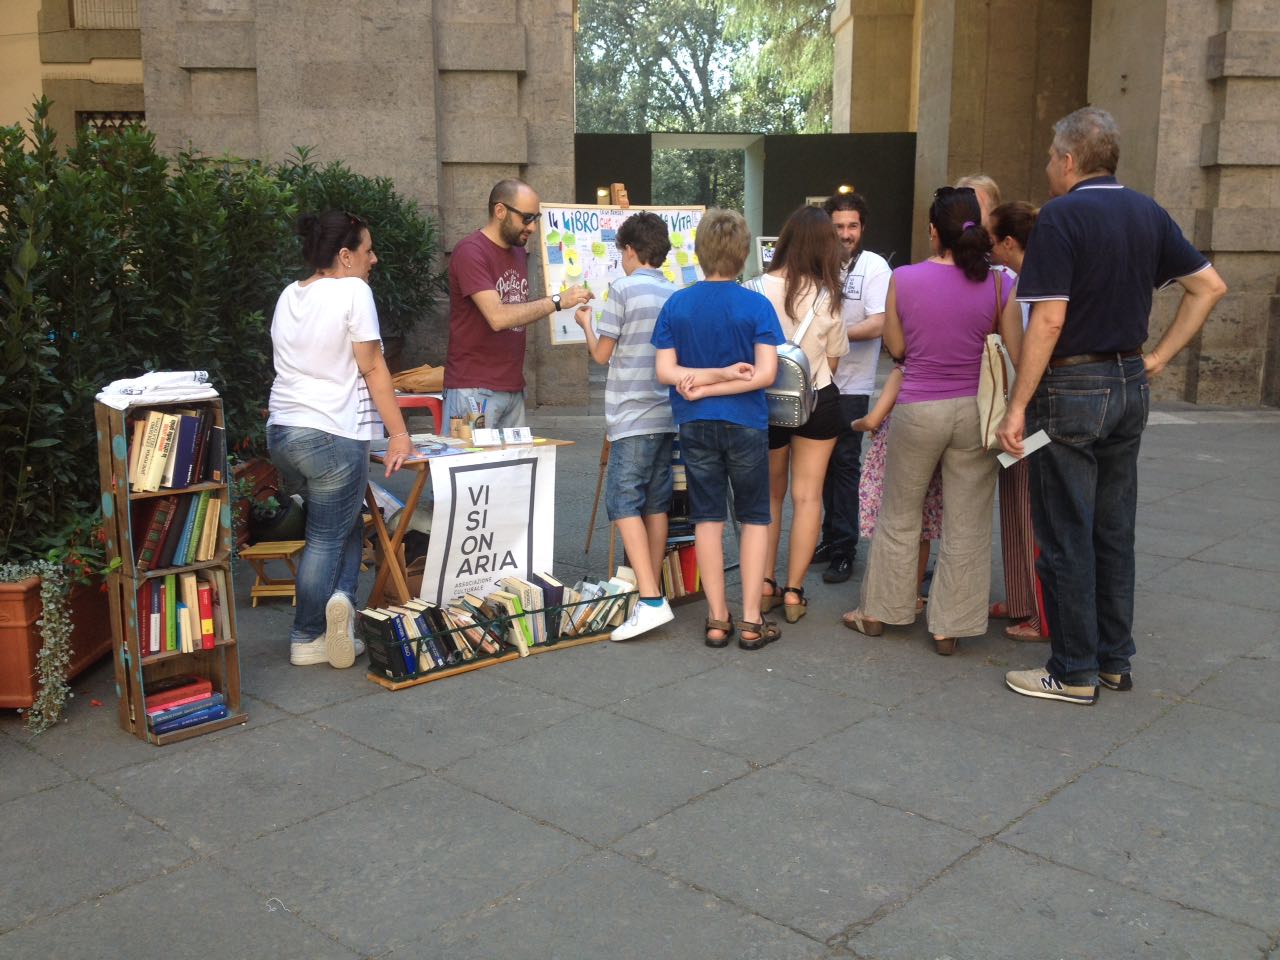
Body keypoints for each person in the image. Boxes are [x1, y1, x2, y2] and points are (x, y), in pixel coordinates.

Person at [998, 106, 1227, 704]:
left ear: (1069, 160)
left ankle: (1073, 669)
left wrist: (1017, 406)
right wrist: (1158, 357)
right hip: (1129, 380)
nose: (1048, 165)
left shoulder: (1061, 216)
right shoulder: (1147, 210)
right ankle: (1113, 660)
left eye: (1051, 156)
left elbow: (1048, 320)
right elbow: (1209, 286)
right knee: (1113, 528)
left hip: (1073, 385)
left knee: (1065, 531)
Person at [842, 186, 1010, 656]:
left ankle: (880, 612)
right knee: (968, 522)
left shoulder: (905, 278)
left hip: (917, 407)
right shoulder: (1000, 284)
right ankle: (949, 627)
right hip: (975, 411)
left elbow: (898, 348)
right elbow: (1011, 349)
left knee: (900, 514)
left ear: (934, 231)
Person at [267, 211, 413, 668]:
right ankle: (308, 634)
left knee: (341, 524)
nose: (374, 259)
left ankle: (341, 611)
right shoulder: (353, 291)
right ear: (345, 256)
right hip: (332, 432)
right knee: (326, 538)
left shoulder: (290, 294)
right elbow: (372, 366)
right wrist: (399, 434)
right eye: (368, 250)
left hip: (283, 431)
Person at [652, 208, 784, 650]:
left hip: (694, 422)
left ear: (699, 251)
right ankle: (751, 620)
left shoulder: (677, 304)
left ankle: (716, 618)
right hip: (746, 422)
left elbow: (665, 372)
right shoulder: (757, 305)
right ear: (744, 253)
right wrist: (725, 379)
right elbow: (765, 374)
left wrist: (702, 388)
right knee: (754, 518)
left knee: (707, 519)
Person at [574, 212, 678, 641]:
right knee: (655, 505)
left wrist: (586, 324)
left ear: (630, 250)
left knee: (622, 503)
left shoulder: (622, 289)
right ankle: (650, 589)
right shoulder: (675, 292)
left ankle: (650, 600)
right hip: (666, 414)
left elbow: (602, 355)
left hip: (632, 415)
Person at [744, 206, 848, 623]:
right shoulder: (828, 296)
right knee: (808, 498)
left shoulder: (753, 289)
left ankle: (764, 584)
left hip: (764, 403)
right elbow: (834, 361)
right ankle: (793, 592)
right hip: (818, 401)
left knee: (770, 496)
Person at [444, 178, 592, 428]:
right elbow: (498, 317)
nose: (532, 227)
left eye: (536, 218)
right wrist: (558, 301)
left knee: (514, 457)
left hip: (512, 387)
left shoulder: (518, 252)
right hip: (474, 389)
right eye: (527, 218)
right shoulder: (470, 251)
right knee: (471, 456)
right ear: (500, 211)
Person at [815, 191, 892, 584]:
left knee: (845, 464)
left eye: (852, 226)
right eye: (839, 226)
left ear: (862, 227)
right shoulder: (819, 263)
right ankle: (830, 537)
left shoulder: (875, 266)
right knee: (821, 465)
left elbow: (879, 323)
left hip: (853, 385)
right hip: (817, 381)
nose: (845, 234)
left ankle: (844, 549)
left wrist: (832, 337)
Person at [986, 201, 1045, 642]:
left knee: (1031, 505)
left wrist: (1018, 407)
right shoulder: (1021, 281)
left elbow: (1028, 351)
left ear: (1008, 242)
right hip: (1024, 405)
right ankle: (1022, 597)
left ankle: (1040, 611)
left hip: (1033, 406)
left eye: (992, 238)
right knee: (1014, 496)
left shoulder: (1037, 282)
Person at [852, 365, 942, 609]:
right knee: (922, 530)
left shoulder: (903, 371)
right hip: (932, 447)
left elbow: (872, 419)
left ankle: (884, 599)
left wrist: (856, 424)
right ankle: (913, 596)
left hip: (896, 453)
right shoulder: (940, 370)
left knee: (890, 524)